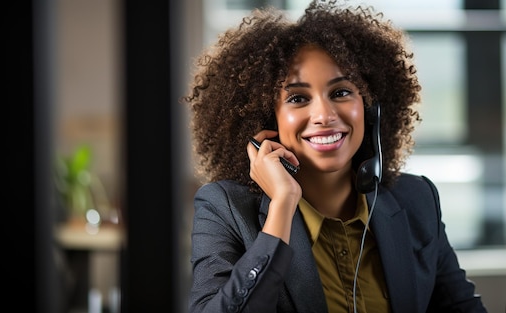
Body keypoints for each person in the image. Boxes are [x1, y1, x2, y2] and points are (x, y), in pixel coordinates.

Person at [182, 0, 488, 312]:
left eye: (341, 92)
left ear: (370, 108)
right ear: (268, 118)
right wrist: (282, 206)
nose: (324, 115)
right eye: (298, 98)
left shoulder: (416, 200)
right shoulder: (224, 208)